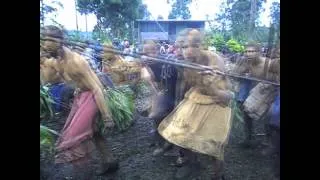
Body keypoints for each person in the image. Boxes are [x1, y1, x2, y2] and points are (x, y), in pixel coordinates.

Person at [41, 25, 118, 178]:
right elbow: (48, 79)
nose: (44, 48)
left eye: (47, 45)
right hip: (82, 95)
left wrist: (107, 116)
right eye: (43, 44)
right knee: (94, 132)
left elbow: (97, 88)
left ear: (60, 41)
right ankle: (110, 161)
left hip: (94, 96)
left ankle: (82, 173)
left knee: (73, 138)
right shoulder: (57, 60)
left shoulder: (76, 61)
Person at [158, 29, 233, 179]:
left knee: (213, 144)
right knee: (183, 135)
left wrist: (209, 80)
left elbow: (222, 94)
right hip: (196, 98)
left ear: (201, 45)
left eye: (189, 46)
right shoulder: (185, 63)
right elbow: (191, 82)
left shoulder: (214, 59)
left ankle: (218, 174)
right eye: (181, 47)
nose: (185, 52)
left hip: (217, 101)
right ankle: (192, 165)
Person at [233, 43, 278, 148]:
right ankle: (248, 138)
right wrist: (240, 67)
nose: (249, 54)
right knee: (246, 112)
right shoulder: (246, 62)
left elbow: (276, 79)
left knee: (270, 116)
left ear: (259, 52)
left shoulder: (269, 63)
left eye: (252, 51)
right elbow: (235, 76)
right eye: (247, 51)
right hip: (256, 91)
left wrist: (267, 84)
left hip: (270, 91)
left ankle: (269, 142)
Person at [141, 40, 178, 156]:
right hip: (157, 94)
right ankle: (161, 142)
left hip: (168, 93)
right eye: (146, 52)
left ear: (157, 50)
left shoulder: (164, 60)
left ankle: (167, 142)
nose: (150, 55)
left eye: (152, 51)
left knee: (164, 117)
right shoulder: (145, 64)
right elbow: (148, 80)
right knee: (156, 119)